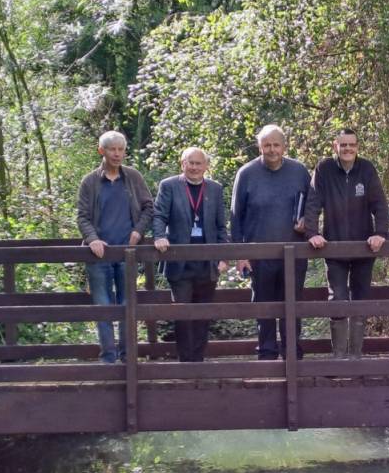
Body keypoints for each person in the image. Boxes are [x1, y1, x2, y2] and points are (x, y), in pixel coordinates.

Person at [305, 128, 389, 358]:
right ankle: (339, 358)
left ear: (357, 147)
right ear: (336, 146)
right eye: (343, 145)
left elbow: (379, 204)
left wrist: (381, 232)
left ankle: (356, 357)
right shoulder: (324, 169)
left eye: (351, 144)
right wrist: (312, 232)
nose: (348, 149)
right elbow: (313, 202)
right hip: (334, 248)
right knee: (339, 298)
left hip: (364, 247)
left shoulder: (367, 169)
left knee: (361, 301)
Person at [230, 125, 310, 360]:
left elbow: (313, 205)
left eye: (276, 145)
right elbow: (236, 217)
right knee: (263, 305)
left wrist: (308, 222)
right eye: (267, 145)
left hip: (294, 253)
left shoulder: (299, 171)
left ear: (284, 146)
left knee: (292, 304)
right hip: (259, 253)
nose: (272, 149)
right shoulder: (246, 173)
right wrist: (241, 255)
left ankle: (292, 352)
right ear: (259, 146)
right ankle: (266, 354)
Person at [77, 130, 153, 363]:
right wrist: (92, 239)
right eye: (112, 149)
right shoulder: (90, 182)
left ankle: (128, 356)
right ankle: (108, 358)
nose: (118, 154)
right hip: (99, 256)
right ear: (102, 151)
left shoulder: (133, 177)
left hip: (127, 254)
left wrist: (138, 231)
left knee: (127, 305)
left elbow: (149, 208)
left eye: (121, 149)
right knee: (103, 308)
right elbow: (82, 217)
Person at [153, 147, 228, 362]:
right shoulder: (169, 186)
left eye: (199, 163)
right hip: (180, 262)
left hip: (207, 263)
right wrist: (159, 236)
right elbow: (159, 215)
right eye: (190, 163)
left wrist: (223, 257)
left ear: (206, 166)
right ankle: (185, 362)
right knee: (182, 314)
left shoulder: (214, 189)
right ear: (182, 163)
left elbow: (221, 226)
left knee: (203, 314)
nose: (194, 167)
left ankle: (198, 361)